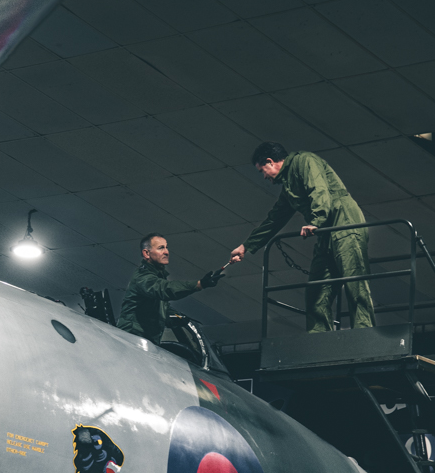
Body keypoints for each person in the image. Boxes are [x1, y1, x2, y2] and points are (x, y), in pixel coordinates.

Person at [229, 142, 375, 332]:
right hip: (325, 234)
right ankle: (318, 340)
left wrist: (316, 220)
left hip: (344, 223)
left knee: (354, 282)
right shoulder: (289, 188)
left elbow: (318, 189)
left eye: (262, 171)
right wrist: (246, 246)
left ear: (270, 161)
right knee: (316, 293)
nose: (264, 177)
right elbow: (274, 219)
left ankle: (365, 333)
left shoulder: (305, 161)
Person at [117, 233, 223, 345]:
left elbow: (158, 308)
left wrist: (175, 317)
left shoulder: (157, 275)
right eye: (160, 248)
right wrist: (199, 284)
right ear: (146, 253)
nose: (166, 252)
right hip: (131, 341)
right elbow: (164, 289)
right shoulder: (143, 278)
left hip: (143, 342)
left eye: (166, 247)